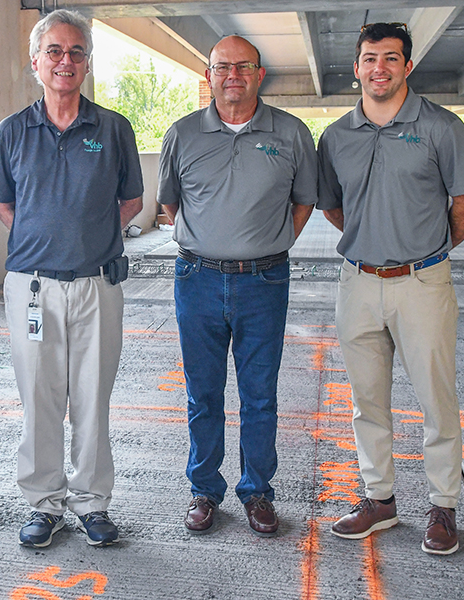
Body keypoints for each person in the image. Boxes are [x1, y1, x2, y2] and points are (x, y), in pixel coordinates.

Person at [316, 22, 464, 555]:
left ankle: (443, 506)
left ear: (407, 66)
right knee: (366, 401)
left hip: (423, 282)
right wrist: (373, 240)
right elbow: (333, 206)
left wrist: (428, 250)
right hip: (359, 283)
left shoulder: (442, 127)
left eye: (391, 58)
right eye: (370, 59)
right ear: (357, 69)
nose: (380, 68)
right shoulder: (337, 136)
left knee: (437, 400)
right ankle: (379, 501)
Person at [0, 9, 143, 549]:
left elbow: (131, 201)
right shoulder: (12, 131)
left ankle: (92, 503)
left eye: (76, 52)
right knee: (40, 397)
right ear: (36, 61)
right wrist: (47, 243)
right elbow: (5, 205)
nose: (65, 61)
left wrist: (88, 237)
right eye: (54, 51)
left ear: (87, 63)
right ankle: (43, 504)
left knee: (92, 398)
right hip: (32, 288)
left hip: (98, 284)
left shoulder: (113, 128)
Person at [157, 35, 318, 537]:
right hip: (197, 280)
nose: (232, 75)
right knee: (203, 394)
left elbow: (304, 202)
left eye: (242, 67)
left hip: (264, 281)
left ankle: (257, 492)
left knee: (259, 395)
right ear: (209, 74)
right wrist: (211, 242)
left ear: (259, 74)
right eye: (222, 67)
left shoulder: (291, 133)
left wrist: (266, 243)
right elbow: (169, 204)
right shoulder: (182, 134)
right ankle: (204, 490)